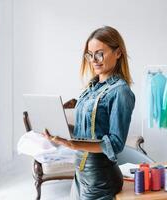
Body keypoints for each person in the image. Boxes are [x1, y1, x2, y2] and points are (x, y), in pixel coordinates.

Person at [43, 26, 135, 200]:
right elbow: (83, 131)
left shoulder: (121, 92)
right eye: (90, 55)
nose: (94, 60)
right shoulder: (90, 89)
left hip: (101, 179)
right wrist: (59, 130)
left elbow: (115, 143)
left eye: (100, 53)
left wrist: (72, 145)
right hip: (81, 173)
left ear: (118, 53)